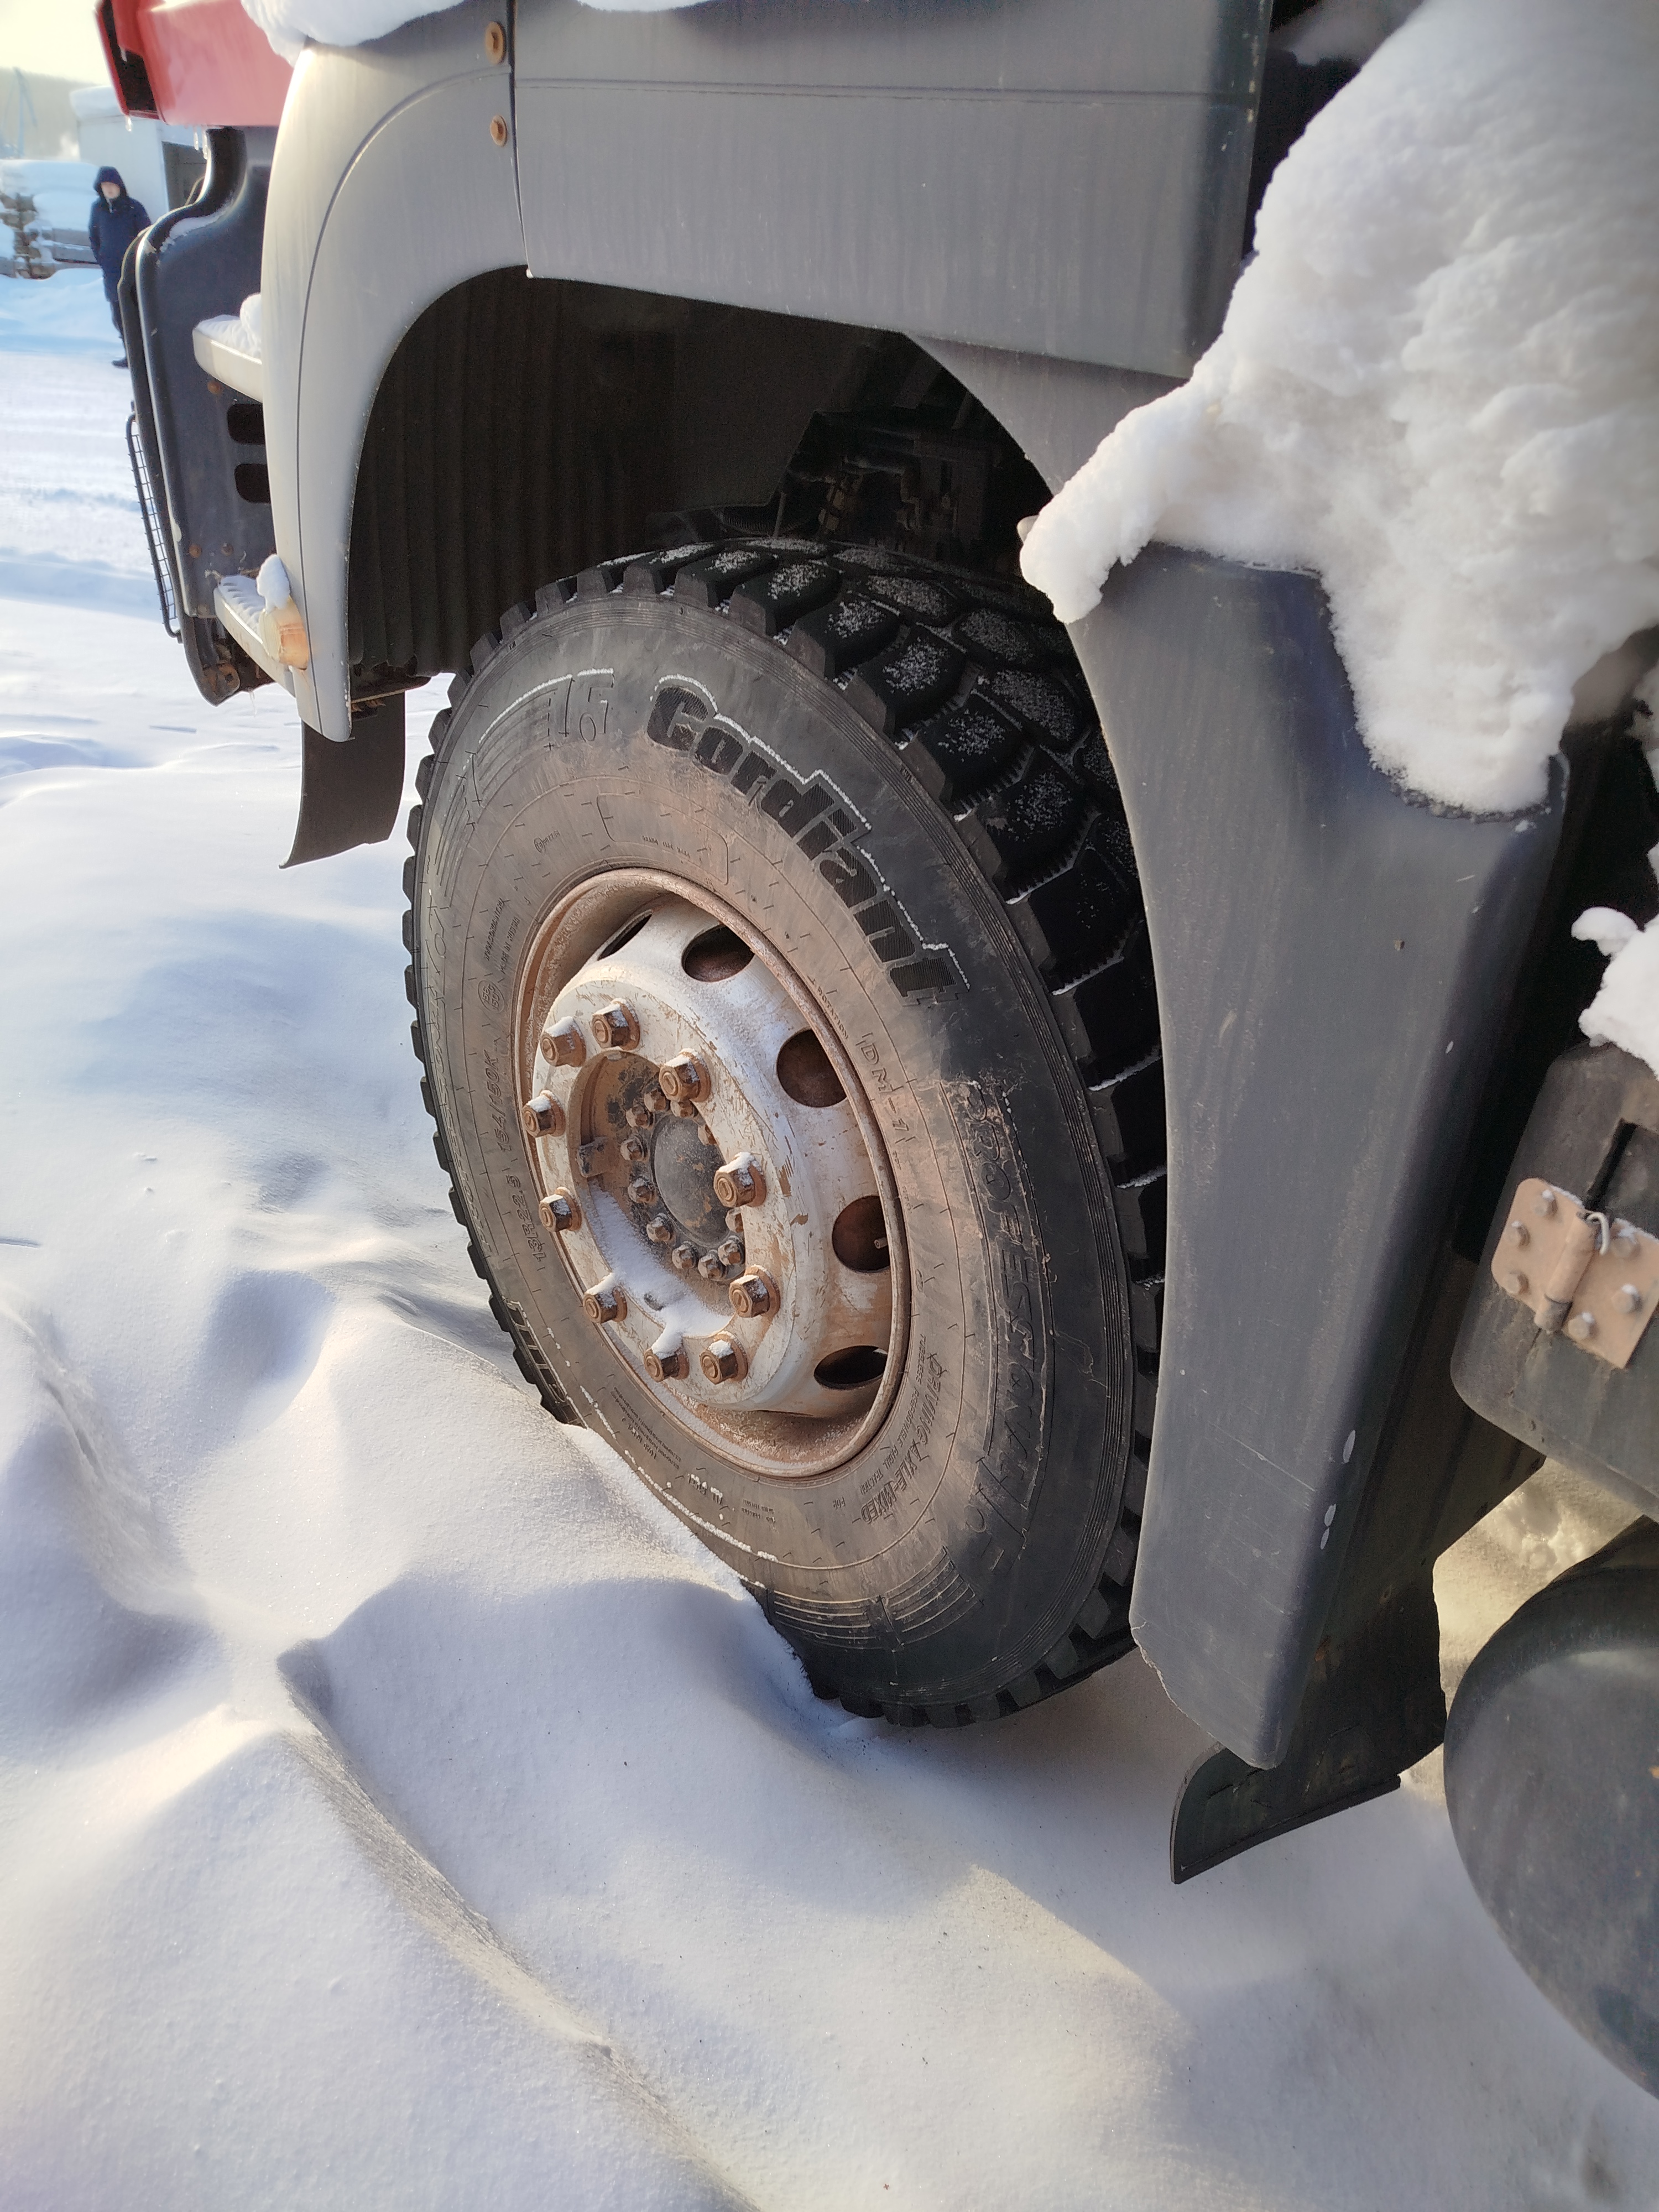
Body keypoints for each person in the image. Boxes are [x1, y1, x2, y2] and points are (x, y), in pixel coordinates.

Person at [87, 168, 150, 370]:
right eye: (105, 187)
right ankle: (130, 356)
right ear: (101, 189)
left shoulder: (134, 208)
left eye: (112, 186)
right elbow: (93, 237)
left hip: (133, 273)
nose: (109, 190)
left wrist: (138, 263)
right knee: (119, 317)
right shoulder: (98, 210)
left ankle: (147, 357)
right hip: (112, 273)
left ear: (120, 187)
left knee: (138, 315)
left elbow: (146, 235)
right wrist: (103, 260)